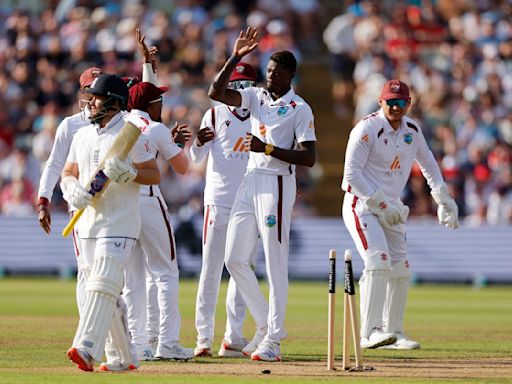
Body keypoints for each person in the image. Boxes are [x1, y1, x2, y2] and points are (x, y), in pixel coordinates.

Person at [208, 27, 317, 362]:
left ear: (289, 75)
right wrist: (236, 56)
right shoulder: (256, 96)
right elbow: (216, 92)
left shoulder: (299, 107)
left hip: (277, 184)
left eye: (276, 73)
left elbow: (308, 157)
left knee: (274, 261)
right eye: (268, 71)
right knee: (234, 259)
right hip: (250, 180)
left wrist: (268, 147)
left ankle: (274, 341)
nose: (270, 77)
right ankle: (268, 326)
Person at [341, 79, 459, 350]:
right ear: (380, 102)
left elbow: (428, 164)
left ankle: (393, 332)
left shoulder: (413, 130)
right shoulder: (366, 129)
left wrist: (444, 201)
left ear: (409, 103)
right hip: (362, 206)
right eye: (390, 102)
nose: (395, 107)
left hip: (393, 207)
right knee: (379, 261)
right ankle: (369, 332)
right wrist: (382, 205)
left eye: (401, 102)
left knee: (400, 269)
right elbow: (350, 176)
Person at [62, 73, 160, 372]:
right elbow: (68, 171)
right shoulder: (82, 135)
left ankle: (85, 347)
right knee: (98, 290)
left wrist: (131, 173)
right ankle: (122, 357)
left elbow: (154, 174)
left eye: (96, 97)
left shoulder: (133, 134)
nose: (90, 102)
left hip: (120, 221)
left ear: (114, 102)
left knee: (104, 281)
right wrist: (71, 189)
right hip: (88, 223)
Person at [191, 62, 258, 358]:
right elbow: (195, 158)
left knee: (241, 269)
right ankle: (203, 338)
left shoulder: (261, 114)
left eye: (247, 84)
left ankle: (233, 337)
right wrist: (197, 142)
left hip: (250, 203)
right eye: (237, 84)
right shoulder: (215, 112)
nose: (242, 90)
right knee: (211, 270)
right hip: (218, 201)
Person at [123, 80, 194, 361]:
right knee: (165, 273)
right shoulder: (156, 128)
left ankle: (140, 343)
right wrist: (175, 144)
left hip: (124, 204)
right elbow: (184, 167)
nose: (162, 105)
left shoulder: (120, 124)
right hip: (149, 200)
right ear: (151, 105)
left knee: (133, 279)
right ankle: (168, 342)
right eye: (159, 101)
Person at [37, 65, 102, 316]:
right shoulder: (71, 125)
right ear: (82, 92)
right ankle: (87, 332)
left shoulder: (118, 118)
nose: (95, 95)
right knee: (86, 267)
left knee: (112, 269)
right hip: (81, 205)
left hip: (111, 204)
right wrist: (43, 199)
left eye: (98, 88)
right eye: (89, 89)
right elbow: (54, 164)